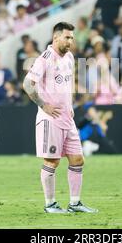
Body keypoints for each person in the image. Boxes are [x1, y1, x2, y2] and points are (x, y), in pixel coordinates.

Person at [23, 22, 98, 213]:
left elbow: (68, 83)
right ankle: (50, 204)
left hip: (67, 118)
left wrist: (70, 104)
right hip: (51, 119)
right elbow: (27, 84)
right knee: (52, 161)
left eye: (72, 37)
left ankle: (75, 204)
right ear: (55, 37)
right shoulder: (45, 58)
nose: (70, 41)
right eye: (67, 37)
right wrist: (43, 105)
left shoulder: (69, 57)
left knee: (77, 159)